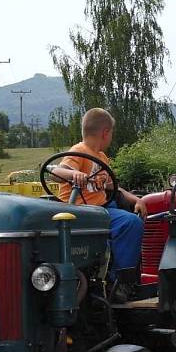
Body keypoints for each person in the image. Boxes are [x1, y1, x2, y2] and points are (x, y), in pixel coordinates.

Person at [53, 108, 146, 283]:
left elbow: (112, 186)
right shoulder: (79, 150)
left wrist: (137, 199)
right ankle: (120, 281)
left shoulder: (102, 157)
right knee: (131, 223)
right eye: (111, 133)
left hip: (101, 209)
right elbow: (56, 172)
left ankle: (115, 270)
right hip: (82, 211)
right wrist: (74, 175)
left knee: (128, 217)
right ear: (105, 133)